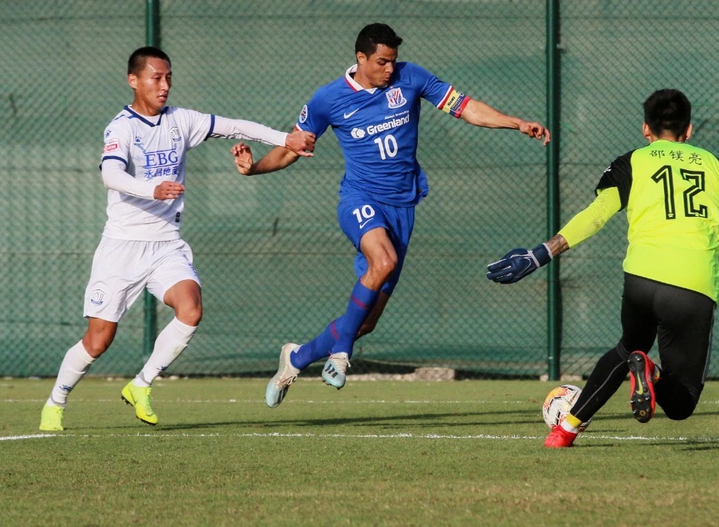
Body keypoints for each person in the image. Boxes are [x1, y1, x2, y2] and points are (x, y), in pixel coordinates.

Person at [231, 23, 550, 407]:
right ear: (360, 58)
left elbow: (466, 108)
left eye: (392, 61)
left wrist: (517, 123)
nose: (388, 69)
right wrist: (254, 169)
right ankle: (340, 356)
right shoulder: (328, 99)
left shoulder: (410, 77)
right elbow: (290, 148)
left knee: (365, 322)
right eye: (381, 61)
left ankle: (296, 357)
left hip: (403, 207)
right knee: (383, 260)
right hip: (359, 198)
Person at [486, 89, 719, 448]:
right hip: (693, 285)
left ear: (646, 129)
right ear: (689, 130)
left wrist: (540, 254)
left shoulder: (632, 162)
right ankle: (649, 371)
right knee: (682, 403)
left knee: (627, 347)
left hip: (641, 279)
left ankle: (565, 432)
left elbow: (595, 216)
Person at [38, 46, 315, 432]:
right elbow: (110, 175)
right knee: (99, 340)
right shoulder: (122, 127)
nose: (164, 85)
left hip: (166, 243)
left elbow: (236, 126)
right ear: (133, 81)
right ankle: (56, 401)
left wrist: (287, 137)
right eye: (156, 77)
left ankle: (142, 384)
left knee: (191, 308)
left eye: (168, 77)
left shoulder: (181, 121)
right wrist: (152, 190)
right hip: (122, 247)